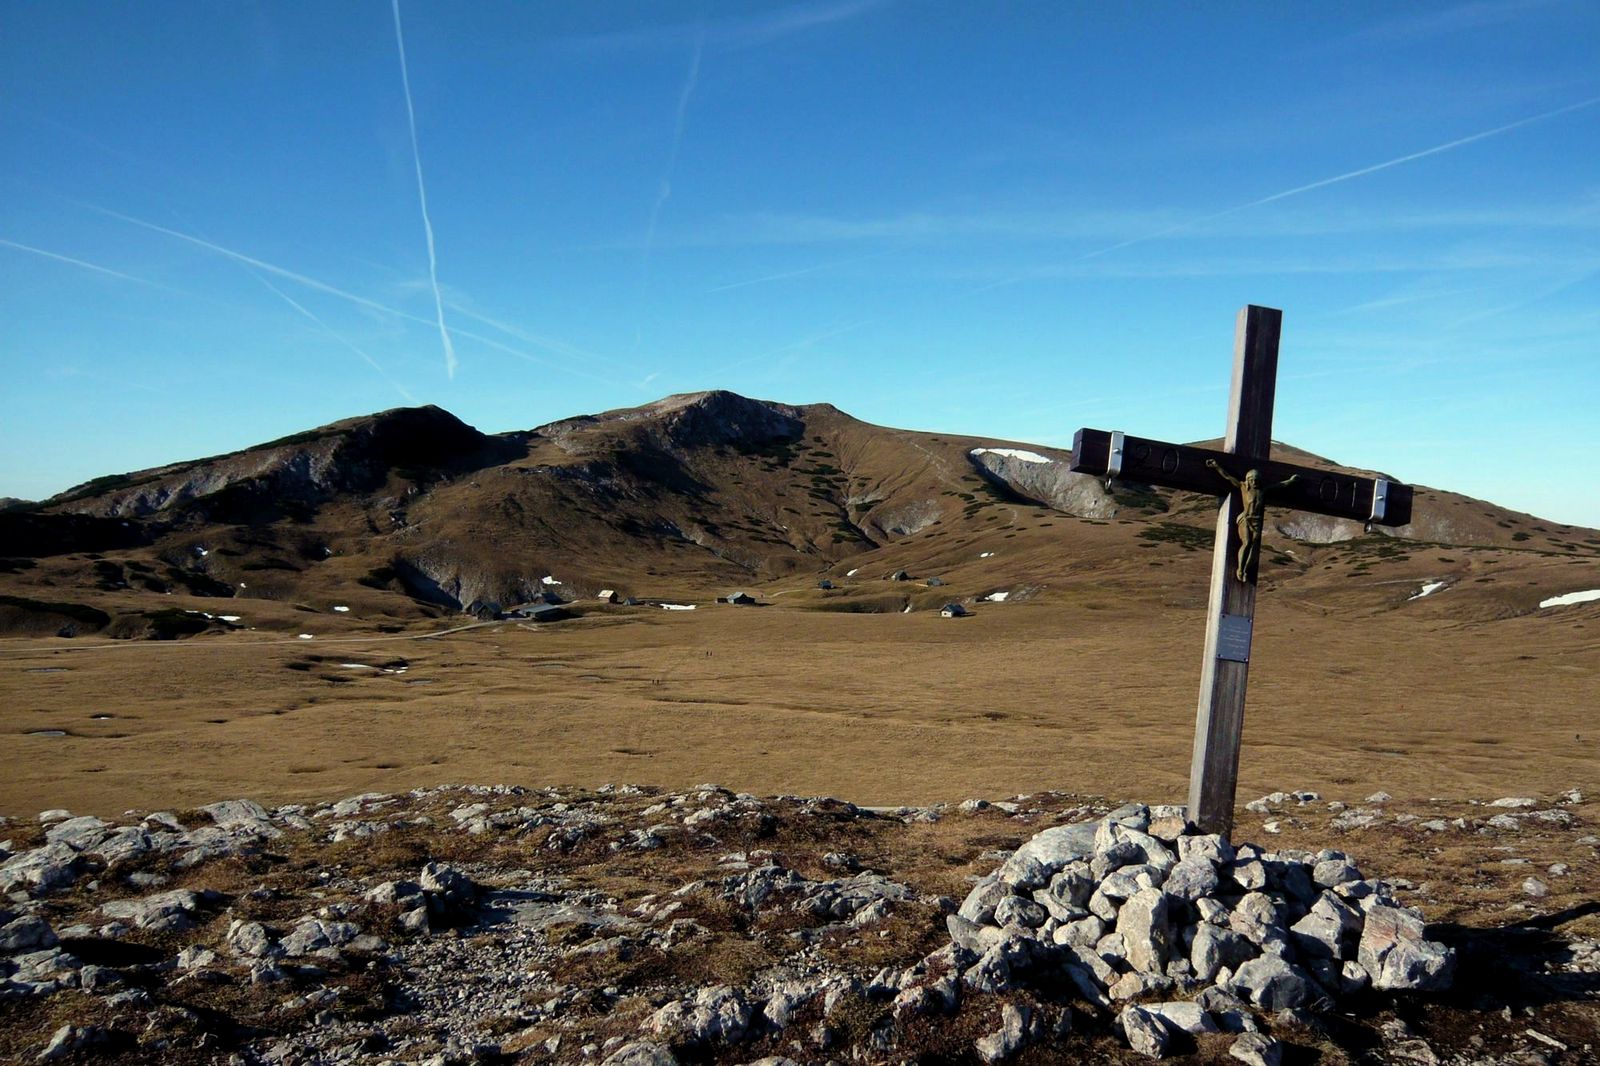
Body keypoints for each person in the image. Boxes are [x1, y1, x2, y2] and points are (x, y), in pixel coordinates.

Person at [1206, 460, 1298, 582]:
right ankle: (1240, 569)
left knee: (1254, 544)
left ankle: (1246, 569)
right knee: (1247, 542)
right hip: (1245, 518)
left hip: (1257, 521)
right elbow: (1228, 477)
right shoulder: (1243, 487)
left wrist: (1291, 481)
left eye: (1256, 480)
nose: (1254, 482)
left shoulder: (1263, 490)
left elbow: (1279, 485)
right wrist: (1217, 466)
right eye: (1251, 480)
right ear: (1248, 480)